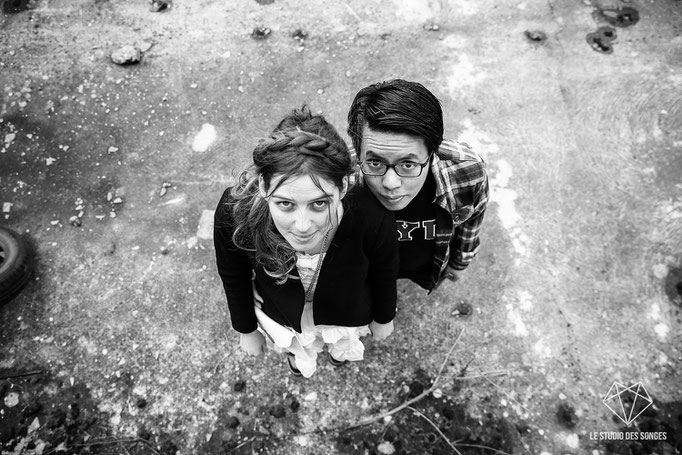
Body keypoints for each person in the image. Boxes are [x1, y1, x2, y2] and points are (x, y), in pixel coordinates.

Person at [213, 107, 398, 378]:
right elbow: (232, 274)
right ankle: (299, 358)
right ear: (264, 187)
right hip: (283, 315)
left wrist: (384, 316)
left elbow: (385, 272)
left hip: (346, 312)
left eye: (320, 203)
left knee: (341, 344)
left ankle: (339, 354)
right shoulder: (234, 212)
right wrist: (246, 328)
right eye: (285, 204)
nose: (302, 226)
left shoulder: (372, 215)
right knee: (299, 349)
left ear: (343, 187)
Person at [347, 79, 490, 293]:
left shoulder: (466, 171)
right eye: (375, 163)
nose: (390, 183)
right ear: (358, 153)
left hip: (426, 267)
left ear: (432, 153)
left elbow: (473, 220)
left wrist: (460, 261)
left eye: (408, 164)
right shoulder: (341, 181)